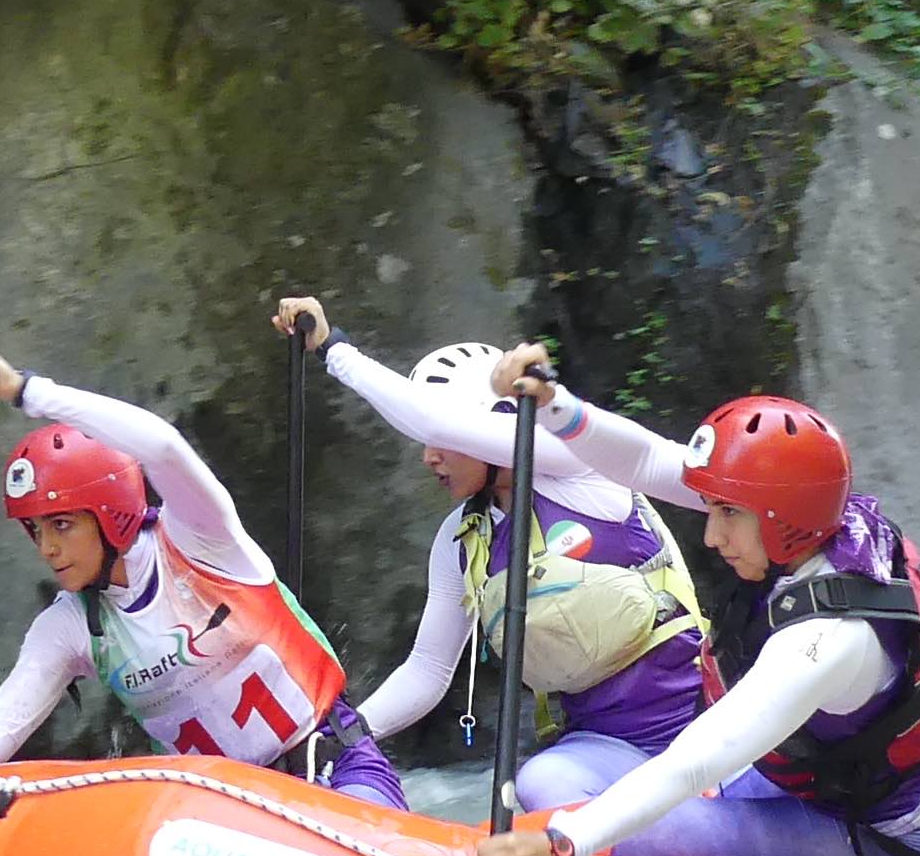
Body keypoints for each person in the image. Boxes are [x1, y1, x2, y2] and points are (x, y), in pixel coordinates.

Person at [457, 348, 920, 856]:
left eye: (727, 514)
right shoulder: (814, 522)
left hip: (892, 840)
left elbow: (700, 755)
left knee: (625, 831)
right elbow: (647, 460)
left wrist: (561, 846)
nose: (710, 535)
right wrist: (555, 404)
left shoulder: (832, 638)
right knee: (556, 788)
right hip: (821, 781)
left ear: (780, 519)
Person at [0, 343, 407, 808]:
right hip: (229, 820)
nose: (46, 547)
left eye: (62, 524)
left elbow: (164, 448)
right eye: (36, 530)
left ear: (110, 510)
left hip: (334, 770)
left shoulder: (200, 540)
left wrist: (23, 389)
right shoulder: (69, 628)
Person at [269, 296, 710, 814]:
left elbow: (434, 420)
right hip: (603, 751)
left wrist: (333, 349)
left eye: (442, 438)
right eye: (428, 440)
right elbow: (429, 669)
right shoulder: (461, 539)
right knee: (540, 785)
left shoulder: (576, 467)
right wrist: (342, 737)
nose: (428, 454)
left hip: (701, 728)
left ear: (491, 426)